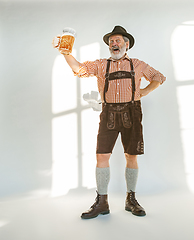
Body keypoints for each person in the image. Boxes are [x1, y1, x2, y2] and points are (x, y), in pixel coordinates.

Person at [52, 25, 166, 219]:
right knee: (102, 157)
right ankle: (102, 202)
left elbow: (159, 77)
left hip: (133, 112)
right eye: (111, 41)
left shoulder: (138, 64)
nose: (114, 44)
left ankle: (131, 199)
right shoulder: (100, 65)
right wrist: (66, 53)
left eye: (118, 40)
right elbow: (78, 69)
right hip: (109, 114)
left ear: (126, 44)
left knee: (131, 156)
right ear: (108, 45)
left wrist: (145, 91)